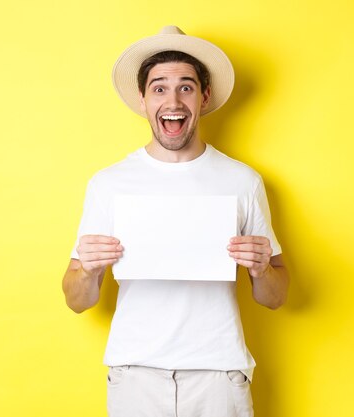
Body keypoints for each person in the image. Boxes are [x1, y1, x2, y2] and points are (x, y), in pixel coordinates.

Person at [62, 25, 289, 417]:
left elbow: (276, 296)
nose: (173, 99)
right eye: (159, 87)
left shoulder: (242, 180)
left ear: (204, 96)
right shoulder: (109, 183)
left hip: (219, 375)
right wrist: (87, 271)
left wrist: (262, 269)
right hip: (135, 377)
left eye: (185, 87)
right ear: (143, 99)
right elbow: (77, 300)